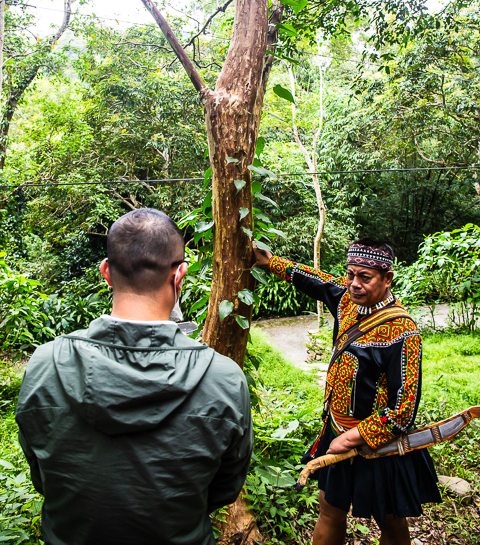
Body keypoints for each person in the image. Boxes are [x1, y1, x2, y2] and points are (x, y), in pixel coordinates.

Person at [16, 208, 253, 545]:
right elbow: (225, 487)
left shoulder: (45, 365)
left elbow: (42, 475)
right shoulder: (224, 378)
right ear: (179, 275)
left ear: (106, 272)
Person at [254, 238, 440, 545]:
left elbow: (403, 410)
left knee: (390, 518)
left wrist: (352, 438)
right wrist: (270, 261)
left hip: (379, 442)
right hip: (336, 427)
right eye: (350, 274)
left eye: (364, 278)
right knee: (330, 507)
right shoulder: (345, 299)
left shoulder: (403, 332)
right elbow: (314, 279)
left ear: (387, 278)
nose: (353, 284)